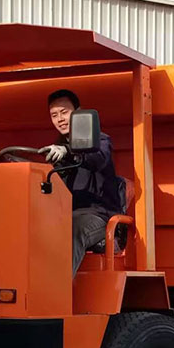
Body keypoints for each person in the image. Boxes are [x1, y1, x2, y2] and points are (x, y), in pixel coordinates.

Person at [40, 89, 123, 276]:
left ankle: (55, 290)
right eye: (54, 115)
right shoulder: (56, 151)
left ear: (78, 113)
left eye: (64, 112)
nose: (60, 119)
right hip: (67, 215)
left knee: (73, 228)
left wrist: (68, 152)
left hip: (99, 216)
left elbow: (98, 158)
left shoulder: (100, 140)